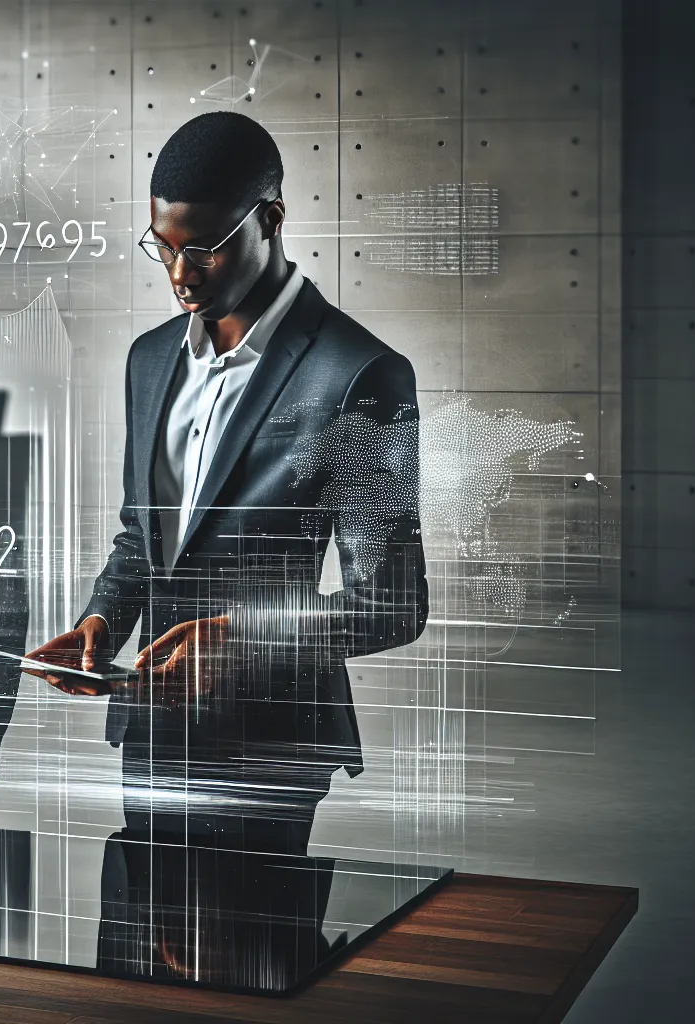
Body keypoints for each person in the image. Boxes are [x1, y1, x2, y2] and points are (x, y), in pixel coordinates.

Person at [25, 111, 428, 856]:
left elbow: (394, 605)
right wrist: (102, 621)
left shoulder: (360, 374)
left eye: (203, 249)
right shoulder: (150, 359)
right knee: (135, 929)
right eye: (163, 246)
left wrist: (240, 640)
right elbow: (143, 535)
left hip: (272, 744)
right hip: (151, 730)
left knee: (251, 933)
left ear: (270, 220)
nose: (180, 275)